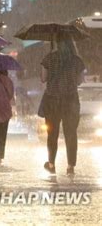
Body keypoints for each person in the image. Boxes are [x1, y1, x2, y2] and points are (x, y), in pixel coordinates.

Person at [40, 38, 85, 176]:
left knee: (52, 134)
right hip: (71, 101)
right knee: (71, 134)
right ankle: (70, 166)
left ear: (57, 43)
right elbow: (79, 81)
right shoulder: (77, 60)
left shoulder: (48, 58)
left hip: (52, 101)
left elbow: (43, 78)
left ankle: (51, 164)